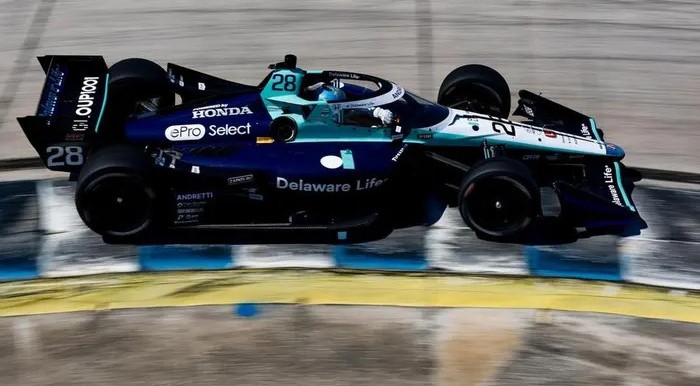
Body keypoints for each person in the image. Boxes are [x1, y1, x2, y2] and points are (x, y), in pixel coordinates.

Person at [307, 81, 395, 126]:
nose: (345, 108)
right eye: (339, 107)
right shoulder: (316, 124)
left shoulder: (344, 110)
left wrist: (379, 112)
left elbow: (356, 108)